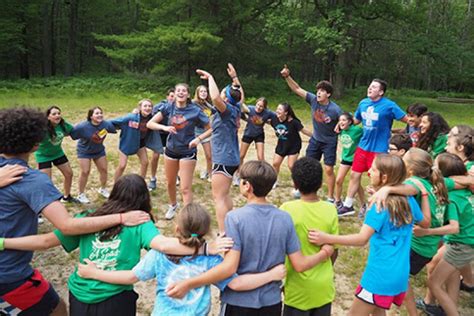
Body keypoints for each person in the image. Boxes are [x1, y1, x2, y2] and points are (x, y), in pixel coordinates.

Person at [1, 175, 232, 316]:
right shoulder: (141, 221)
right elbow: (163, 244)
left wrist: (3, 242)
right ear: (144, 198)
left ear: (114, 193)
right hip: (115, 298)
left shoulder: (85, 218)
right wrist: (205, 248)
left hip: (79, 294)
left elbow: (44, 241)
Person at [0, 107, 150, 316]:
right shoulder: (31, 180)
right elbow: (68, 226)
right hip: (9, 273)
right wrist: (122, 217)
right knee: (57, 310)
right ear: (36, 145)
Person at [165, 161, 334, 316]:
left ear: (247, 186)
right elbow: (300, 263)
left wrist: (188, 283)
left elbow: (229, 268)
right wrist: (325, 252)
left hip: (239, 303)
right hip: (271, 302)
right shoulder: (284, 218)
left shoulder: (235, 219)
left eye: (241, 180)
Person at [76, 203, 286, 316]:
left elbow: (131, 277)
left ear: (177, 229)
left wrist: (94, 272)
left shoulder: (159, 253)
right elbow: (237, 283)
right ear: (206, 232)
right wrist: (271, 275)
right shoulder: (211, 259)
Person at [308, 154, 426, 316]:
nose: (369, 172)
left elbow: (361, 239)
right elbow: (423, 220)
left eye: (373, 169)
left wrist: (327, 237)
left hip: (379, 276)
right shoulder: (409, 200)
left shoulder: (379, 206)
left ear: (384, 177)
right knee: (378, 311)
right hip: (400, 273)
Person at [337, 79, 408, 216]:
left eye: (374, 87)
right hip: (363, 146)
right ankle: (348, 205)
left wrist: (402, 132)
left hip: (379, 149)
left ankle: (377, 207)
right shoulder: (363, 103)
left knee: (377, 179)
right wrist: (342, 124)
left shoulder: (389, 106)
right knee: (354, 175)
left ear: (381, 92)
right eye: (369, 86)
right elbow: (356, 120)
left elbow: (406, 120)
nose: (370, 89)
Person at [280, 157, 339, 315]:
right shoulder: (330, 209)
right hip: (323, 288)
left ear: (295, 184)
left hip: (297, 288)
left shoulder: (287, 209)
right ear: (321, 184)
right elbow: (335, 250)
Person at [419, 153, 473, 316]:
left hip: (461, 244)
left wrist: (426, 231)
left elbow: (454, 228)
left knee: (433, 282)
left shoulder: (453, 197)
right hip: (465, 242)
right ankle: (449, 307)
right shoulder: (466, 191)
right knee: (453, 273)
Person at [146, 83, 211, 220]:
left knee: (185, 188)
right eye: (178, 91)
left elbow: (212, 128)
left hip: (188, 151)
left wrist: (198, 139)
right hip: (171, 150)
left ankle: (188, 216)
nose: (181, 93)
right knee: (170, 183)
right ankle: (173, 205)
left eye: (184, 91)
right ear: (174, 94)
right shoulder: (168, 107)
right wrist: (164, 128)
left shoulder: (195, 110)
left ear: (188, 94)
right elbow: (150, 123)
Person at [281, 65, 342, 202]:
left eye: (322, 91)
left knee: (328, 169)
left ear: (328, 94)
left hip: (329, 142)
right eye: (318, 90)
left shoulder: (335, 109)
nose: (319, 93)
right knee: (308, 165)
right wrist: (287, 77)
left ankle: (331, 198)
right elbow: (297, 89)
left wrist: (340, 124)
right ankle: (303, 190)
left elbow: (346, 120)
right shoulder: (314, 100)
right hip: (315, 139)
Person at [195, 64, 243, 234]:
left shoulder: (227, 109)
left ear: (227, 98)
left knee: (219, 197)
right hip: (231, 157)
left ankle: (224, 233)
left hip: (223, 158)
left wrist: (210, 77)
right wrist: (235, 78)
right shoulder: (236, 107)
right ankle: (230, 225)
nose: (220, 94)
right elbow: (240, 95)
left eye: (224, 92)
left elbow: (215, 98)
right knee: (225, 194)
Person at [70, 106, 117, 204]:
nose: (100, 115)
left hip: (99, 151)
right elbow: (70, 133)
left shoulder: (106, 124)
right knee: (85, 172)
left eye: (101, 113)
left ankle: (103, 189)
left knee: (104, 170)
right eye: (97, 113)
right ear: (91, 116)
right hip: (84, 151)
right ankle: (81, 194)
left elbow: (117, 125)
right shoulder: (83, 126)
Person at [111, 99, 163, 182]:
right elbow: (114, 122)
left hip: (140, 143)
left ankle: (141, 183)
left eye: (150, 106)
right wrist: (100, 126)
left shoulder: (152, 118)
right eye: (145, 106)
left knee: (145, 162)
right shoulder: (131, 117)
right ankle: (116, 184)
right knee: (122, 165)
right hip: (127, 143)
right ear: (140, 108)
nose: (147, 108)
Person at [34, 105, 77, 203]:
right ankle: (43, 204)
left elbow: (75, 131)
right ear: (48, 117)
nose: (57, 116)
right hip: (43, 156)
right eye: (54, 114)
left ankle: (67, 197)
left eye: (59, 113)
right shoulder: (42, 129)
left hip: (58, 153)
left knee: (69, 174)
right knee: (46, 182)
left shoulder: (63, 125)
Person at [270, 102, 312, 186]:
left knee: (291, 166)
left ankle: (298, 183)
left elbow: (303, 131)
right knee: (275, 163)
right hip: (282, 145)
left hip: (294, 146)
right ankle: (274, 181)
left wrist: (315, 137)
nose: (277, 111)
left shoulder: (293, 122)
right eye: (277, 109)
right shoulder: (274, 119)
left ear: (286, 112)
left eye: (280, 109)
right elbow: (265, 120)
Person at [335, 112, 365, 214]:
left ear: (350, 122)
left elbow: (367, 133)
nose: (341, 122)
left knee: (356, 183)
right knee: (338, 180)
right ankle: (338, 202)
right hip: (346, 158)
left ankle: (363, 204)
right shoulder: (341, 131)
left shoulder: (357, 130)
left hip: (356, 159)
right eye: (340, 120)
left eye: (344, 120)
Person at [148, 88, 175, 190]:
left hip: (171, 133)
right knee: (155, 156)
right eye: (171, 96)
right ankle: (153, 178)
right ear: (167, 97)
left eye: (174, 96)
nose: (173, 98)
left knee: (173, 156)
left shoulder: (179, 107)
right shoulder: (160, 106)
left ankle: (175, 175)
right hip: (159, 133)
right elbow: (149, 115)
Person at [238, 97, 274, 171]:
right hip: (248, 133)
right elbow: (240, 112)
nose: (258, 107)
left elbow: (277, 117)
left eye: (261, 106)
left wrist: (270, 122)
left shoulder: (267, 113)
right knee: (241, 155)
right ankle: (238, 173)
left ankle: (263, 173)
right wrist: (245, 118)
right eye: (257, 105)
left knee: (260, 157)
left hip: (259, 135)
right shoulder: (250, 109)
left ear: (264, 107)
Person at [193, 85, 215, 181]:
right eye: (201, 91)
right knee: (190, 155)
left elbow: (216, 112)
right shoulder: (193, 103)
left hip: (206, 132)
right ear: (197, 93)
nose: (203, 93)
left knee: (209, 155)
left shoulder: (209, 104)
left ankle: (209, 174)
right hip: (193, 131)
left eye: (205, 91)